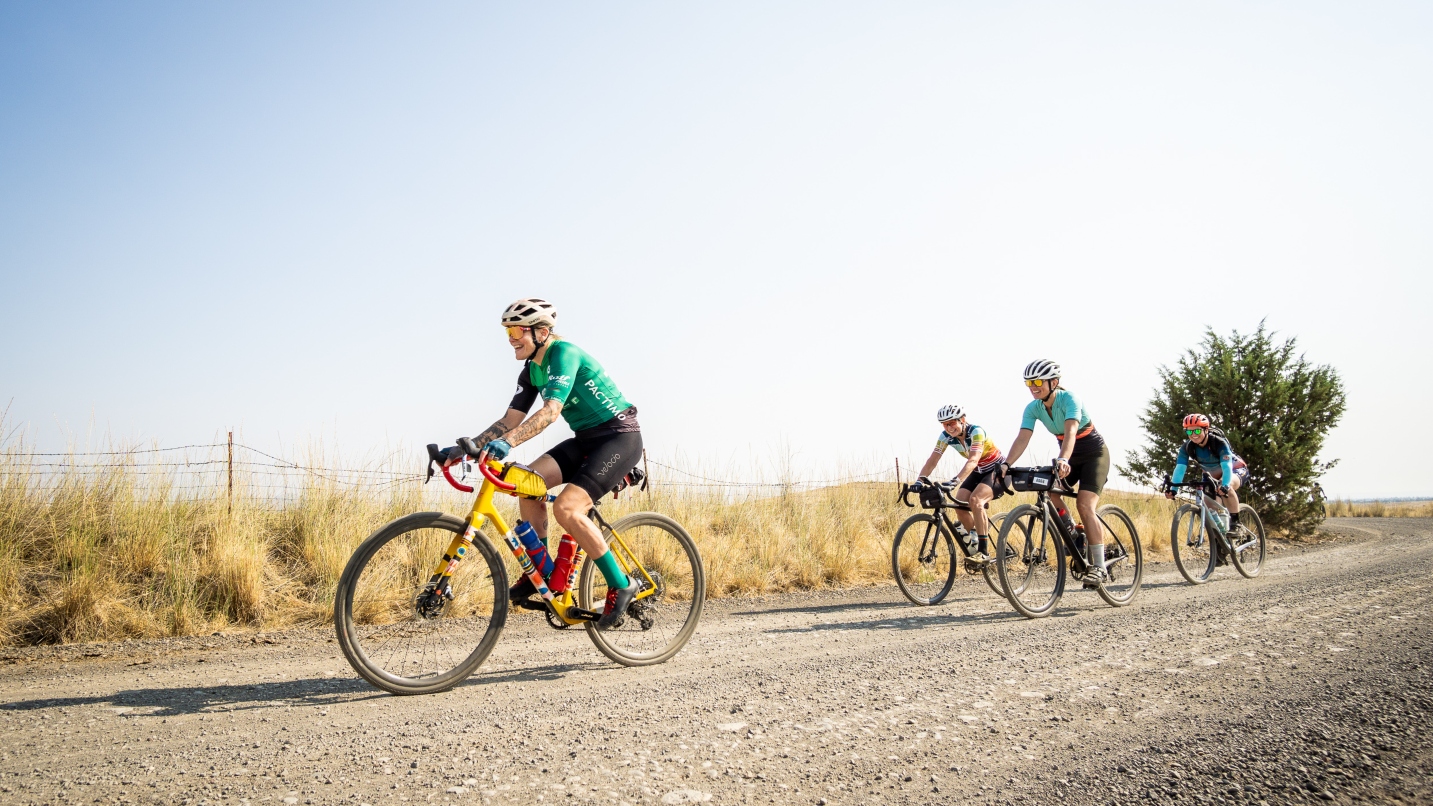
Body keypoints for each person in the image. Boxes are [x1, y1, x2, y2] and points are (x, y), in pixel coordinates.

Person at [449, 298, 642, 630]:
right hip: (586, 440)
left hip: (618, 438)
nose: (510, 338)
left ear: (542, 331)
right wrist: (464, 448)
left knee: (567, 509)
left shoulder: (563, 353)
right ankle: (540, 571)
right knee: (527, 484)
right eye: (507, 331)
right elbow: (511, 418)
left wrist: (507, 443)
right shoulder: (532, 369)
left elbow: (551, 411)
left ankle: (622, 583)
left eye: (515, 330)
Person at [999, 359, 1113, 588]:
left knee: (1085, 505)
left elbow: (1070, 432)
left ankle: (1099, 567)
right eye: (1029, 382)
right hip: (1067, 456)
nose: (1033, 386)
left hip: (1093, 455)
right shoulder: (1033, 408)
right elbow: (1023, 438)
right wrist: (1006, 463)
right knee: (1050, 491)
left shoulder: (1070, 399)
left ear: (1054, 382)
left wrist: (1063, 459)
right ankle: (1074, 533)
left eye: (1038, 381)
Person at [913, 404, 1005, 562]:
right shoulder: (945, 437)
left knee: (975, 500)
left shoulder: (976, 431)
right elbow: (932, 460)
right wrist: (919, 481)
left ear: (962, 420)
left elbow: (974, 460)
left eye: (951, 423)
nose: (948, 427)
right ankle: (975, 539)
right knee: (960, 504)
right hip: (978, 472)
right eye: (944, 424)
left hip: (996, 471)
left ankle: (983, 552)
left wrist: (956, 480)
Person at [1164, 414, 1250, 546]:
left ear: (1205, 429)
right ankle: (1220, 544)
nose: (1193, 434)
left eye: (1197, 430)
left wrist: (1225, 485)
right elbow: (1180, 469)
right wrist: (1174, 489)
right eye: (1189, 431)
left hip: (1235, 470)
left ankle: (1236, 523)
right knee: (1208, 508)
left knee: (1225, 487)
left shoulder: (1218, 442)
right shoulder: (1187, 447)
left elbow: (1227, 467)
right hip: (1211, 475)